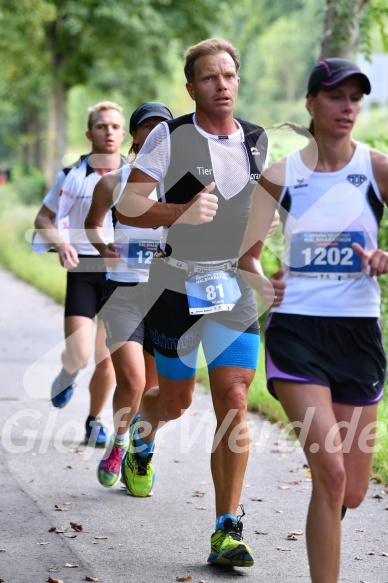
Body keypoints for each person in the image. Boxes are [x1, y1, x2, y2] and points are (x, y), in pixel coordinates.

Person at [114, 38, 270, 568]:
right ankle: (142, 436)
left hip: (231, 288)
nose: (221, 85)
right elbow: (129, 207)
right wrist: (178, 211)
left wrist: (257, 258)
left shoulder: (256, 139)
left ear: (238, 80)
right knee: (175, 401)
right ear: (191, 87)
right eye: (209, 78)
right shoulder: (168, 136)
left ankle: (227, 527)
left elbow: (255, 211)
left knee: (232, 394)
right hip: (175, 287)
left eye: (228, 76)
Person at [239, 58, 388, 583]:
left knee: (350, 489)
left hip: (358, 335)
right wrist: (263, 283)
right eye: (335, 96)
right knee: (330, 471)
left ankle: (329, 520)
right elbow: (247, 255)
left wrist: (384, 257)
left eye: (355, 98)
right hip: (297, 331)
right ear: (310, 103)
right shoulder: (282, 175)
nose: (347, 108)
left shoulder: (377, 168)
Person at [84, 102, 173, 487]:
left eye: (164, 128)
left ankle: (140, 454)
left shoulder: (184, 185)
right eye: (148, 127)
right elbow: (92, 225)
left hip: (167, 295)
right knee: (133, 381)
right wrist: (105, 248)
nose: (156, 134)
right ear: (135, 136)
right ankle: (119, 442)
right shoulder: (113, 182)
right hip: (123, 290)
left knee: (154, 390)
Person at [34, 101, 127, 447]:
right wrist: (60, 244)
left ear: (123, 133)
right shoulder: (72, 174)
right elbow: (43, 220)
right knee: (79, 353)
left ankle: (94, 421)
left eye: (116, 126)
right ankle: (68, 373)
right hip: (84, 269)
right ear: (90, 133)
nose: (109, 132)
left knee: (107, 359)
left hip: (121, 274)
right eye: (102, 126)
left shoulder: (136, 174)